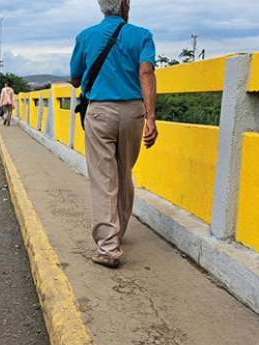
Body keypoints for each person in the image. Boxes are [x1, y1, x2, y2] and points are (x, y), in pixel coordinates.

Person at [69, 0, 158, 268]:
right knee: (123, 172)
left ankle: (108, 246)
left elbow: (75, 78)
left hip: (100, 112)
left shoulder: (85, 36)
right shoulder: (142, 35)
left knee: (103, 178)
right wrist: (151, 118)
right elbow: (146, 72)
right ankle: (117, 230)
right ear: (124, 4)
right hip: (133, 113)